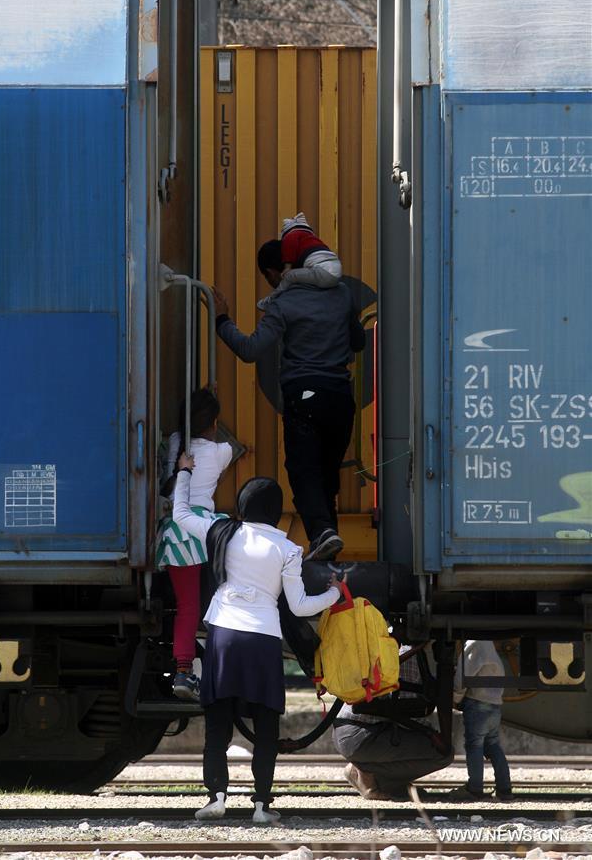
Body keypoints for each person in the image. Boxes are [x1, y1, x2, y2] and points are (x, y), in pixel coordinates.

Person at [172, 455, 344, 824]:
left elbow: (181, 516)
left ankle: (216, 798)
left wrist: (185, 472)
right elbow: (298, 607)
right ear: (277, 511)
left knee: (218, 723)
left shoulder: (223, 531)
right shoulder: (288, 549)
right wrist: (334, 594)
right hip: (264, 640)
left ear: (244, 505)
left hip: (223, 635)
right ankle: (262, 807)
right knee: (266, 728)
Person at [212, 241, 365, 563]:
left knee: (302, 470)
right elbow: (359, 341)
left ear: (272, 272)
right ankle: (327, 547)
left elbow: (250, 350)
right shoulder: (341, 294)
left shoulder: (283, 302)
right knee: (326, 475)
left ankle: (322, 533)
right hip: (340, 397)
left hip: (306, 395)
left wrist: (221, 319)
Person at [156, 389, 232, 702]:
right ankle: (220, 667)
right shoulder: (222, 450)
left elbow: (165, 475)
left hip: (175, 530)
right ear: (213, 422)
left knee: (187, 607)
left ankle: (184, 670)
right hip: (208, 533)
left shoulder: (174, 444)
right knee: (221, 604)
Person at [333, 645, 453, 799]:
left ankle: (370, 774)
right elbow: (405, 706)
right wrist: (430, 733)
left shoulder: (392, 647)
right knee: (443, 754)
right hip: (363, 736)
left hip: (349, 730)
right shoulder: (409, 656)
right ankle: (370, 775)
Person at [451, 639, 512, 801]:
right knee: (493, 745)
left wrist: (455, 697)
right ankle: (504, 788)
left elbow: (464, 675)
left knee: (474, 745)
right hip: (494, 705)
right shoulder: (490, 646)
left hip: (478, 705)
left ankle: (475, 788)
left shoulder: (475, 643)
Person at [257, 212, 342, 310]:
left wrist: (287, 268)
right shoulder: (343, 292)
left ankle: (269, 301)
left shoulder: (285, 305)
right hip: (335, 270)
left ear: (270, 273)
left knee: (289, 276)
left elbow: (290, 246)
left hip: (323, 272)